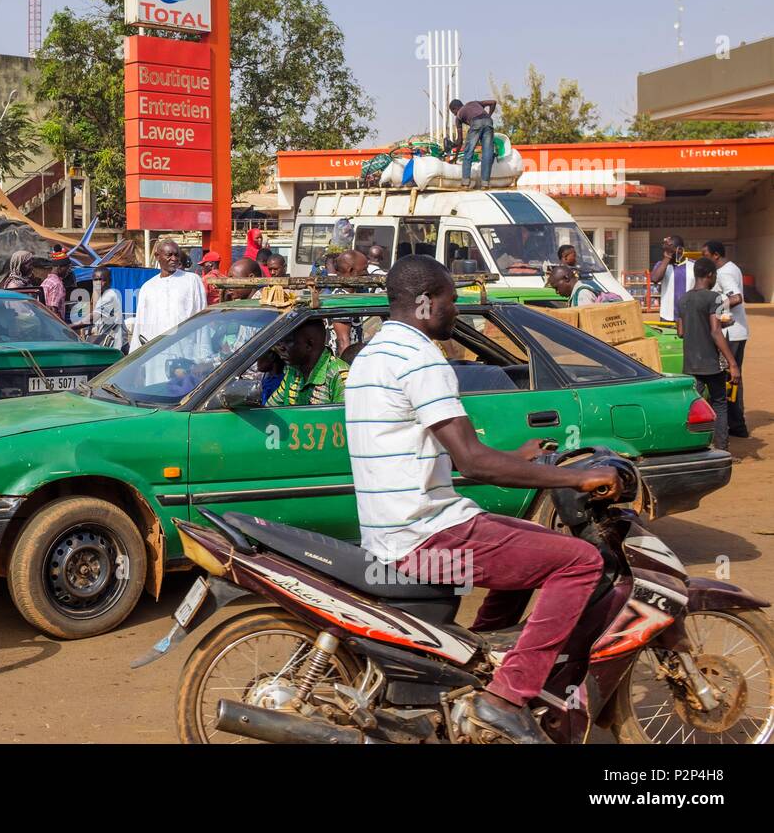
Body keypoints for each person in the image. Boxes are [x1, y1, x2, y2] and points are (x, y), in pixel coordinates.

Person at [344, 254, 618, 744]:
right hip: (428, 543)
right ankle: (505, 698)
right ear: (427, 303)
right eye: (453, 300)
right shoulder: (422, 359)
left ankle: (475, 668)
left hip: (394, 534)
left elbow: (425, 455)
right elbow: (471, 460)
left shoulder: (373, 354)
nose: (458, 310)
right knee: (577, 561)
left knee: (530, 547)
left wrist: (517, 458)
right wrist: (575, 481)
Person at [678, 257, 740, 452]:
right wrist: (733, 363)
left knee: (693, 406)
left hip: (690, 365)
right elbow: (716, 330)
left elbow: (681, 331)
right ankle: (721, 447)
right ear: (711, 275)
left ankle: (692, 448)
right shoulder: (715, 298)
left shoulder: (683, 299)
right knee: (720, 403)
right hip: (711, 364)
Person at [701, 240, 749, 439]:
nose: (703, 258)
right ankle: (736, 425)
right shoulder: (732, 268)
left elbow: (736, 297)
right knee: (733, 379)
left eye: (705, 254)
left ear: (715, 256)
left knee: (728, 379)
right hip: (737, 332)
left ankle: (735, 425)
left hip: (731, 333)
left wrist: (717, 309)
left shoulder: (724, 273)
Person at [130, 239, 208, 351]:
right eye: (169, 255)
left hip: (186, 350)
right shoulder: (148, 287)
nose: (174, 259)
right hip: (155, 351)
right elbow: (140, 324)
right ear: (157, 256)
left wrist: (204, 353)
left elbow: (202, 317)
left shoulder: (192, 280)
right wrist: (135, 356)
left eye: (177, 255)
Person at [266, 320, 347, 406]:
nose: (280, 348)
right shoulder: (293, 372)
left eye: (288, 341)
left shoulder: (340, 376)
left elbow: (343, 417)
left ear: (309, 344)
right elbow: (269, 410)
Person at [449, 98, 498, 188]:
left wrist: (455, 156)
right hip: (488, 122)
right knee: (487, 153)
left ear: (455, 109)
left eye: (453, 112)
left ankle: (465, 183)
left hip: (475, 123)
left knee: (469, 152)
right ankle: (485, 183)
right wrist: (489, 116)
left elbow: (460, 141)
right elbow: (493, 102)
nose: (455, 114)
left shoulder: (459, 116)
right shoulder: (474, 102)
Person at [650, 234, 694, 325]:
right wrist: (667, 256)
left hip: (689, 317)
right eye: (666, 249)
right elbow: (655, 279)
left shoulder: (693, 265)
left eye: (671, 249)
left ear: (680, 250)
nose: (667, 251)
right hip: (667, 317)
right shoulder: (661, 265)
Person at [89, 267, 126, 350]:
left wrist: (69, 326)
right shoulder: (101, 296)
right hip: (109, 344)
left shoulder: (109, 296)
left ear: (109, 281)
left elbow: (94, 317)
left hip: (116, 346)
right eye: (96, 280)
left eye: (102, 280)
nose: (99, 283)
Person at [42, 253, 72, 321]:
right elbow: (54, 311)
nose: (68, 271)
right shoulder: (57, 284)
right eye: (67, 268)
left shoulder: (46, 281)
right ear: (59, 267)